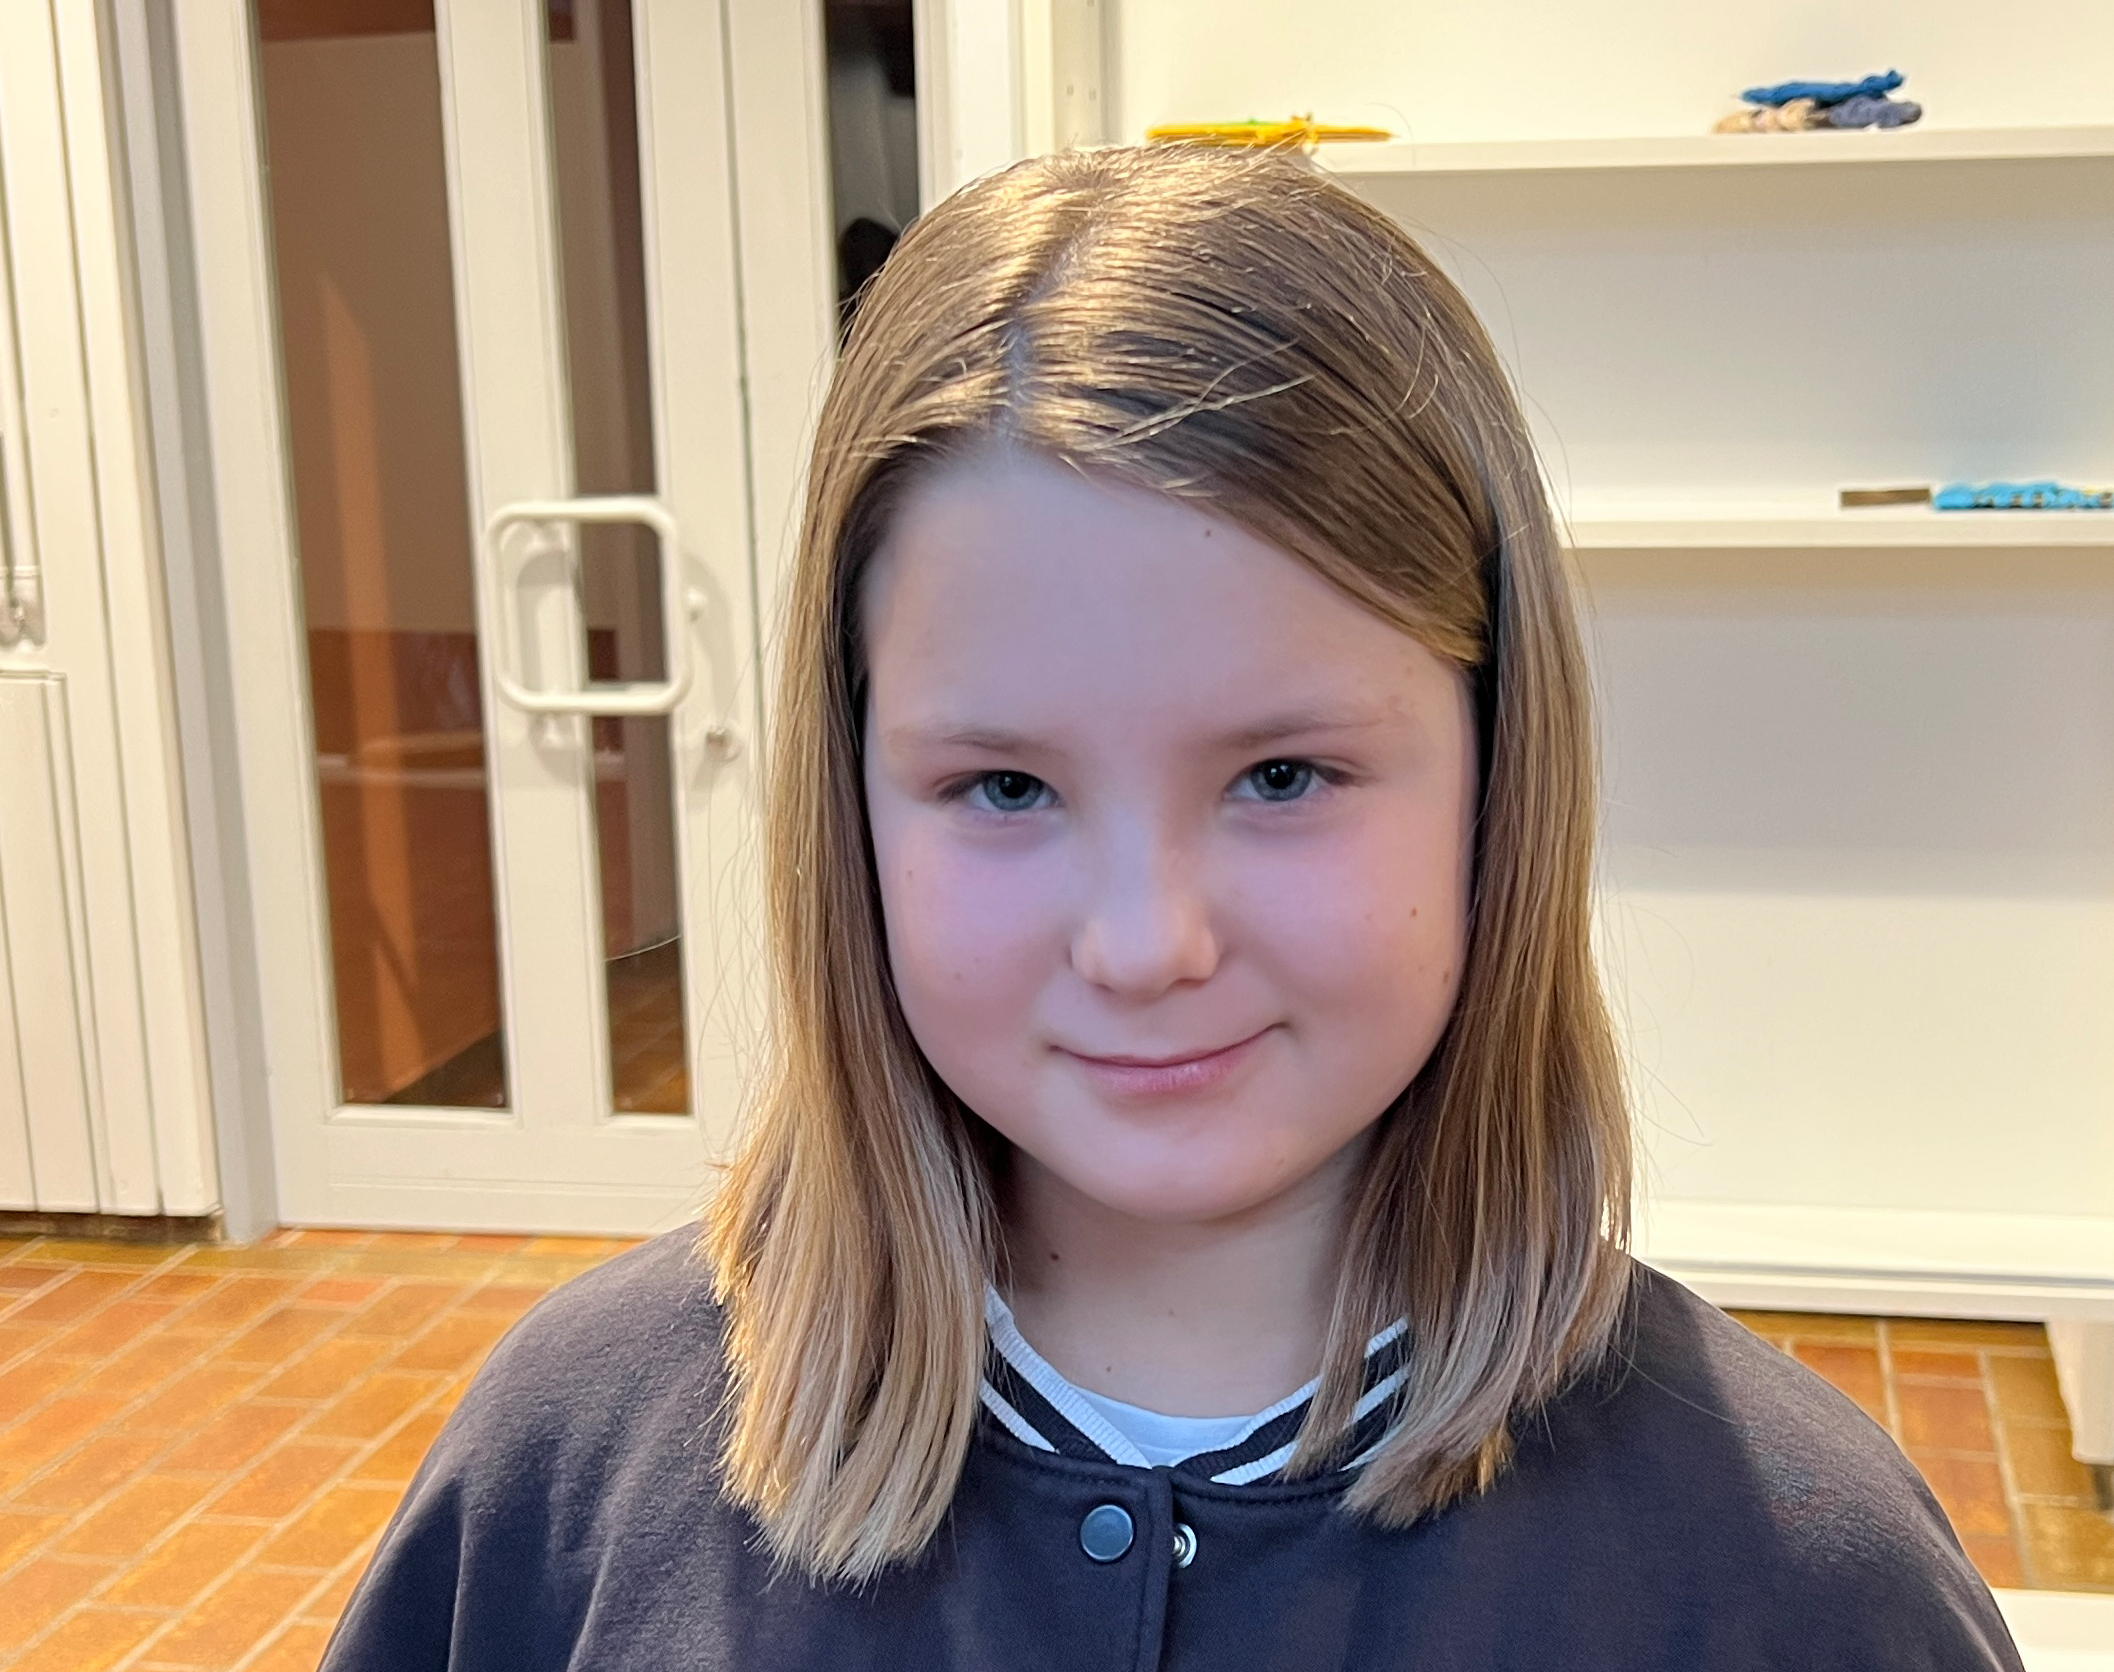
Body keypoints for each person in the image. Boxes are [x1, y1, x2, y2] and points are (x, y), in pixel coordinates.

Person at [319, 144, 2023, 1671]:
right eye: (1004, 788)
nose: (1145, 946)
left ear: (1501, 772)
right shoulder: (566, 1474)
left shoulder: (1795, 1578)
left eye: (1280, 776)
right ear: (851, 805)